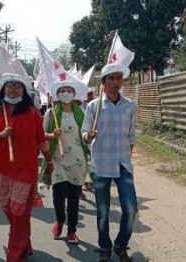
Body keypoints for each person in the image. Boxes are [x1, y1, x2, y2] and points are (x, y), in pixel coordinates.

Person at [0, 73, 54, 262]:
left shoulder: (32, 113)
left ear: (24, 90)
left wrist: (49, 161)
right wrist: (0, 136)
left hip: (25, 170)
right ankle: (24, 243)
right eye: (9, 85)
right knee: (8, 210)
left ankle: (15, 254)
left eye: (18, 86)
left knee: (19, 214)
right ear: (3, 89)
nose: (13, 89)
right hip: (0, 169)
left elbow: (41, 140)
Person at [82, 64, 137, 262]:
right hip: (101, 165)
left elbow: (131, 137)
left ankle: (121, 244)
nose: (115, 82)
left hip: (123, 165)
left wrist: (127, 158)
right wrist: (88, 136)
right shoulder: (93, 107)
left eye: (118, 78)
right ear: (103, 82)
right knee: (103, 211)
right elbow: (85, 135)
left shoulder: (129, 106)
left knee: (131, 209)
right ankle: (104, 247)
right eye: (111, 78)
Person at [42, 81, 89, 245]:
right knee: (59, 194)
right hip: (57, 160)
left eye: (69, 90)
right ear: (57, 94)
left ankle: (72, 230)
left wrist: (89, 137)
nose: (66, 93)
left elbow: (86, 136)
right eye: (62, 91)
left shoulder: (81, 113)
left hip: (77, 160)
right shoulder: (51, 113)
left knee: (74, 197)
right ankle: (60, 219)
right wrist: (52, 135)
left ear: (74, 94)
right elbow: (42, 135)